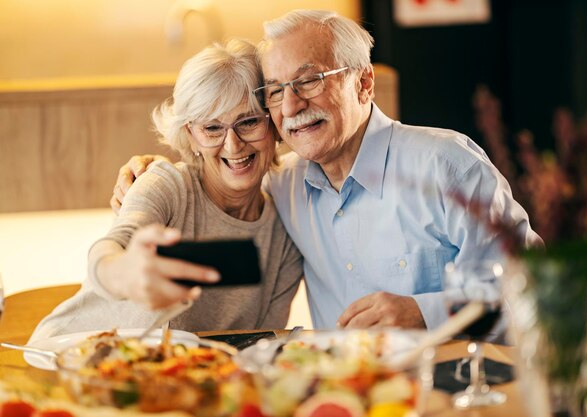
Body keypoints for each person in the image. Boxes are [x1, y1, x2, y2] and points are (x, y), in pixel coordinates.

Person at [111, 10, 540, 331]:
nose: (293, 105)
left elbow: (537, 288)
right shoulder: (285, 186)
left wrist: (425, 312)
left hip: (454, 396)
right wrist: (150, 170)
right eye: (276, 91)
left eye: (310, 80)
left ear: (364, 83)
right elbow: (220, 175)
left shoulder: (445, 166)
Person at [30, 39, 302, 342]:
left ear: (274, 124)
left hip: (176, 379)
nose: (232, 144)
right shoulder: (166, 184)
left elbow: (259, 347)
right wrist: (122, 272)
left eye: (249, 122)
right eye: (212, 128)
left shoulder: (285, 233)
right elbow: (110, 249)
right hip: (64, 354)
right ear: (191, 135)